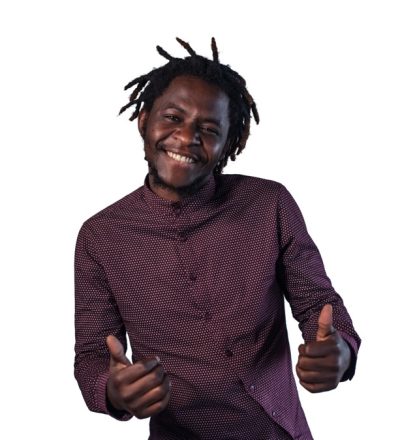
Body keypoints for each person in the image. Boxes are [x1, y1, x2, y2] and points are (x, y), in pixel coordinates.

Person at [74, 37, 361, 440]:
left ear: (232, 142)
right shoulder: (100, 238)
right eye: (172, 117)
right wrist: (112, 390)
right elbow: (92, 356)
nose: (186, 136)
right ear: (143, 120)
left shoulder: (269, 204)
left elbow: (318, 304)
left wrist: (340, 352)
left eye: (208, 129)